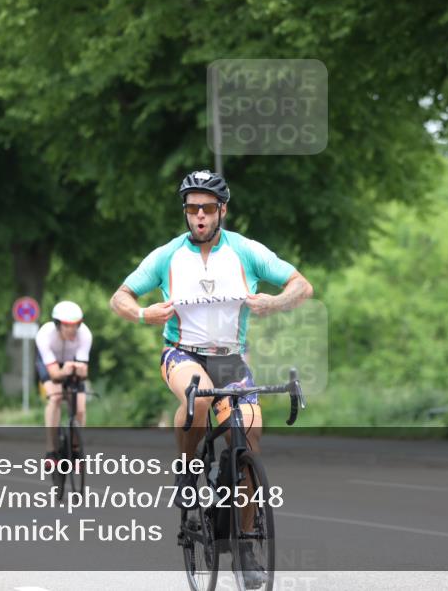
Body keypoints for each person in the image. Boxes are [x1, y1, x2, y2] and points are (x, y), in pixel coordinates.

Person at [109, 169, 313, 590]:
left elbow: (301, 285)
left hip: (230, 359)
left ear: (222, 210)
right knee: (198, 396)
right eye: (191, 209)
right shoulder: (167, 255)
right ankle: (187, 469)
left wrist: (275, 302)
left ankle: (246, 546)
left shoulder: (246, 251)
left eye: (206, 208)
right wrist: (144, 313)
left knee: (250, 437)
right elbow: (120, 297)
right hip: (181, 353)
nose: (198, 216)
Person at [35, 300, 92, 471]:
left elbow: (84, 373)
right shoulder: (44, 335)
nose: (72, 330)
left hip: (71, 362)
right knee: (56, 397)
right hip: (50, 364)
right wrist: (64, 371)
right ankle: (51, 451)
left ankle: (75, 450)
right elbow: (54, 375)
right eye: (67, 325)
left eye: (75, 325)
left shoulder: (85, 334)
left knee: (80, 408)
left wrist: (81, 372)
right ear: (57, 324)